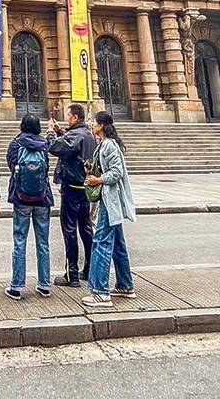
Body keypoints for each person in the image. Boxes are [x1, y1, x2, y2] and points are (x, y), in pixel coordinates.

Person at [82, 111, 136, 307]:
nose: (92, 125)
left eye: (94, 122)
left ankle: (100, 293)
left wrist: (98, 179)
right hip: (109, 199)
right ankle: (125, 285)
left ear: (102, 126)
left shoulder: (109, 145)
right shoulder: (104, 144)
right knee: (117, 244)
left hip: (109, 200)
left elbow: (116, 172)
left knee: (101, 243)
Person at [46, 103, 97, 287]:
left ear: (75, 117)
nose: (66, 118)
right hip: (85, 188)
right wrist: (61, 132)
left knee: (69, 230)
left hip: (71, 188)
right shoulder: (88, 134)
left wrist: (51, 132)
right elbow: (72, 149)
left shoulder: (75, 135)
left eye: (68, 115)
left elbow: (54, 147)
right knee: (86, 229)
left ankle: (71, 275)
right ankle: (90, 269)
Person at [4, 114, 53, 300]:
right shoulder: (44, 145)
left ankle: (16, 286)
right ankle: (44, 285)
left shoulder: (16, 144)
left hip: (21, 197)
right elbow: (46, 168)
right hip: (42, 198)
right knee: (43, 242)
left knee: (19, 241)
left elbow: (11, 166)